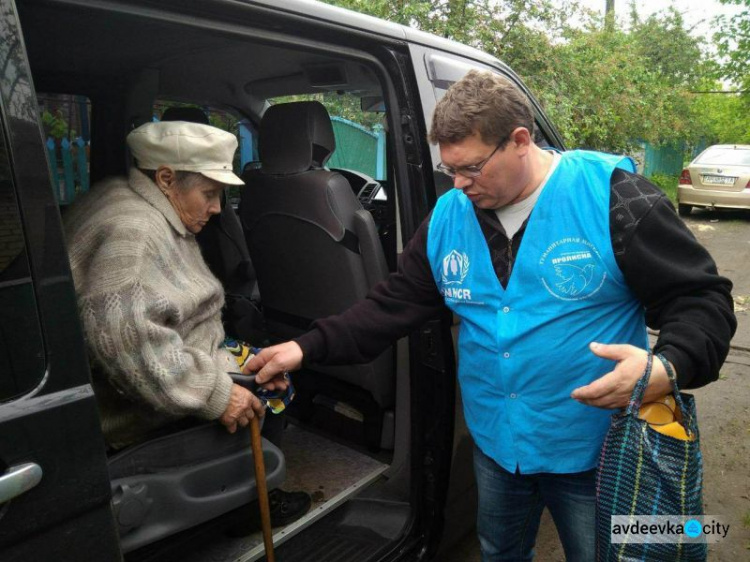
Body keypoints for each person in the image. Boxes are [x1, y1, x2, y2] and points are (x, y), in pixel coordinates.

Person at [248, 70, 736, 561]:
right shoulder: (447, 217)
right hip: (498, 448)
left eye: (472, 168)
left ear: (520, 140)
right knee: (499, 550)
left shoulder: (614, 198)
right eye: (450, 170)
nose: (458, 185)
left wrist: (665, 368)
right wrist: (305, 347)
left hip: (595, 452)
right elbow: (392, 305)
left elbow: (702, 300)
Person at [63, 119, 309, 525]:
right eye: (209, 193)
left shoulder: (124, 195)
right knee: (274, 389)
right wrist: (217, 394)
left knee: (266, 362)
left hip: (186, 354)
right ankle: (248, 507)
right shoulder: (135, 231)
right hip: (141, 398)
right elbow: (127, 344)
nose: (216, 208)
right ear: (165, 178)